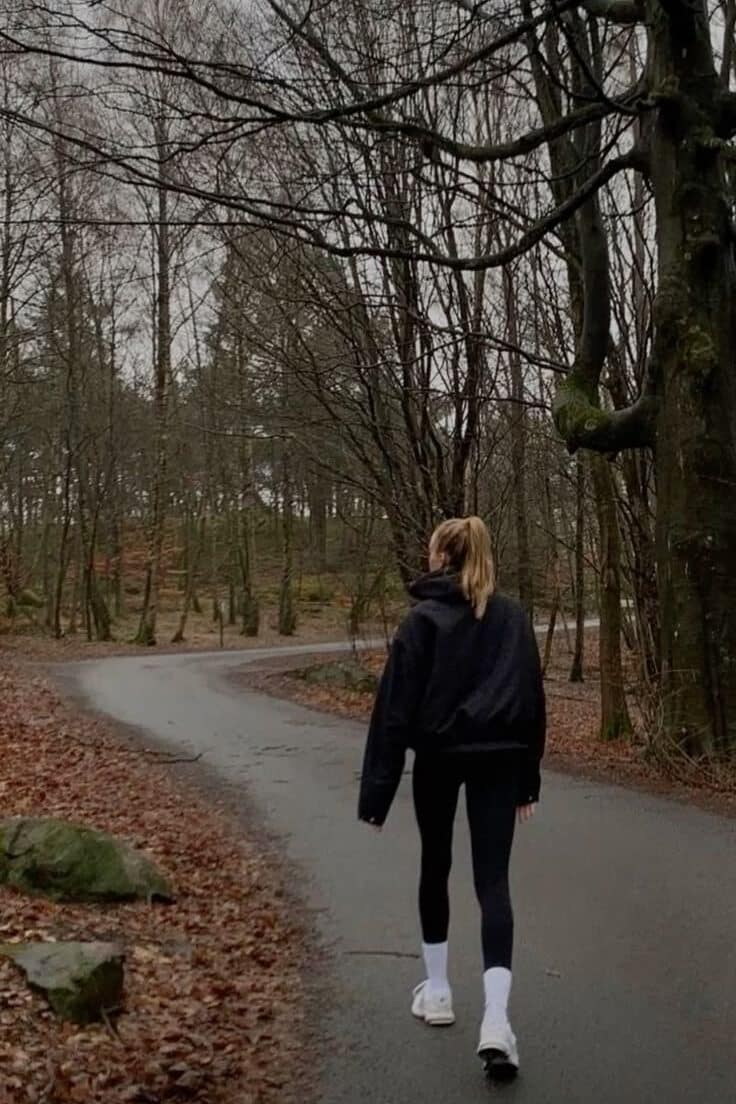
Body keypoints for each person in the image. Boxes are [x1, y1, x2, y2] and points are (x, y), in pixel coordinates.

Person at [357, 516, 545, 1082]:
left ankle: (438, 991)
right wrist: (528, 778)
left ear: (442, 556)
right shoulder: (512, 619)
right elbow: (533, 698)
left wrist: (378, 792)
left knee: (434, 866)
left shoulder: (422, 621)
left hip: (437, 761)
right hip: (498, 761)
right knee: (494, 884)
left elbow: (393, 710)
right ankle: (496, 1022)